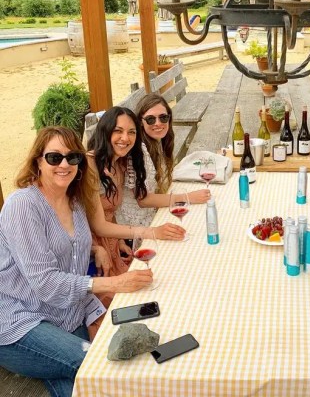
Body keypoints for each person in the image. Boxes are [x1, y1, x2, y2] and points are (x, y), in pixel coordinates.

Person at [0, 127, 153, 397]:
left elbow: (65, 247)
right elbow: (46, 283)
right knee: (99, 366)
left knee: (81, 384)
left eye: (73, 158)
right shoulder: (22, 205)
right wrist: (115, 283)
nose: (64, 164)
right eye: (54, 157)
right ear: (37, 160)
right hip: (21, 322)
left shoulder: (74, 201)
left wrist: (95, 248)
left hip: (67, 317)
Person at [87, 106, 186, 276]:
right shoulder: (90, 166)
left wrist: (118, 242)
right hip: (91, 249)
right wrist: (152, 232)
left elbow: (111, 212)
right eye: (118, 131)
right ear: (105, 131)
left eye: (131, 132)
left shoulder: (119, 163)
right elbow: (98, 226)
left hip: (112, 242)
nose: (125, 138)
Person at [115, 94, 209, 228]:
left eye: (163, 117)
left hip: (153, 214)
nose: (158, 123)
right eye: (150, 119)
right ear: (140, 122)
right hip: (137, 227)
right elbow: (144, 200)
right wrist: (188, 197)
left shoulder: (158, 142)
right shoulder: (139, 150)